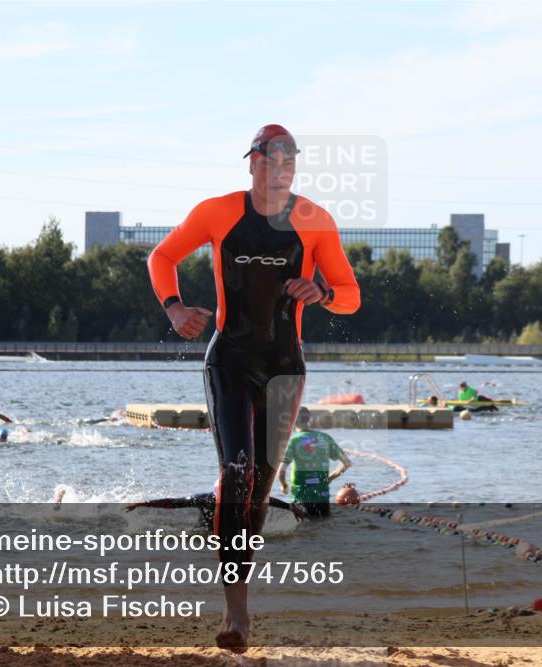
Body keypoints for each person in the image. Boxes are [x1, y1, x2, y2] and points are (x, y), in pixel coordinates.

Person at [147, 124, 360, 652]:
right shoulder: (218, 212)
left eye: (288, 159)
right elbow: (161, 258)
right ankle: (236, 611)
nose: (278, 168)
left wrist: (322, 291)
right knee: (235, 467)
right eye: (268, 158)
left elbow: (351, 295)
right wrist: (174, 308)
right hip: (230, 360)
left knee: (261, 486)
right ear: (252, 164)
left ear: (295, 166)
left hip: (286, 366)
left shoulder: (315, 221)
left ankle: (232, 556)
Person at [124, 479, 306, 529]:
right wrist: (143, 503)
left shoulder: (241, 498)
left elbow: (267, 500)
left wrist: (291, 507)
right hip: (207, 529)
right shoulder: (205, 500)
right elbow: (173, 503)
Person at [277, 407, 352, 517]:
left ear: (292, 421)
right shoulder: (325, 438)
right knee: (322, 525)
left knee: (303, 530)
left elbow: (281, 472)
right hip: (323, 499)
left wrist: (284, 486)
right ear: (310, 420)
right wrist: (329, 479)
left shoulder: (293, 441)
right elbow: (347, 463)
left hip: (302, 499)